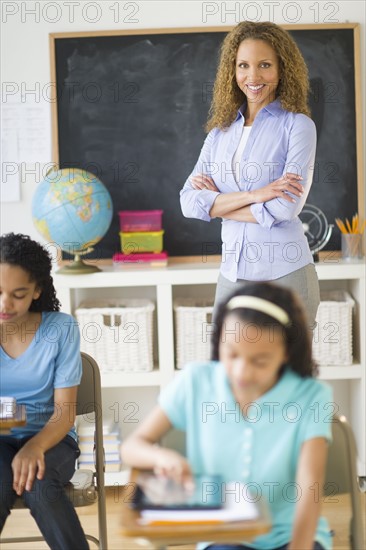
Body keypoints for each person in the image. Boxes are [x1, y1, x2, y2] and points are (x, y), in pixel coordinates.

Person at [121, 281, 333, 550]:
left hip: (292, 535)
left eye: (260, 361)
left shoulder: (312, 396)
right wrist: (162, 456)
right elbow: (132, 447)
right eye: (231, 354)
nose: (242, 372)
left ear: (287, 353)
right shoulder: (196, 382)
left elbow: (309, 490)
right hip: (222, 535)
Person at [180, 21, 319, 329]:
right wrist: (256, 195)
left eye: (265, 65)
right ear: (233, 70)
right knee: (229, 373)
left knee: (288, 375)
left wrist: (218, 207)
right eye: (243, 65)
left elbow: (285, 208)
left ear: (283, 69)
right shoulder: (219, 133)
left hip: (287, 274)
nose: (253, 77)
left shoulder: (298, 126)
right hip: (231, 274)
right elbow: (188, 202)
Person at [0, 233, 89, 550]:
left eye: (18, 294)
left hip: (53, 437)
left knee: (39, 483)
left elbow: (64, 412)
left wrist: (34, 445)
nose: (4, 305)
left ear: (37, 291)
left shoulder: (61, 329)